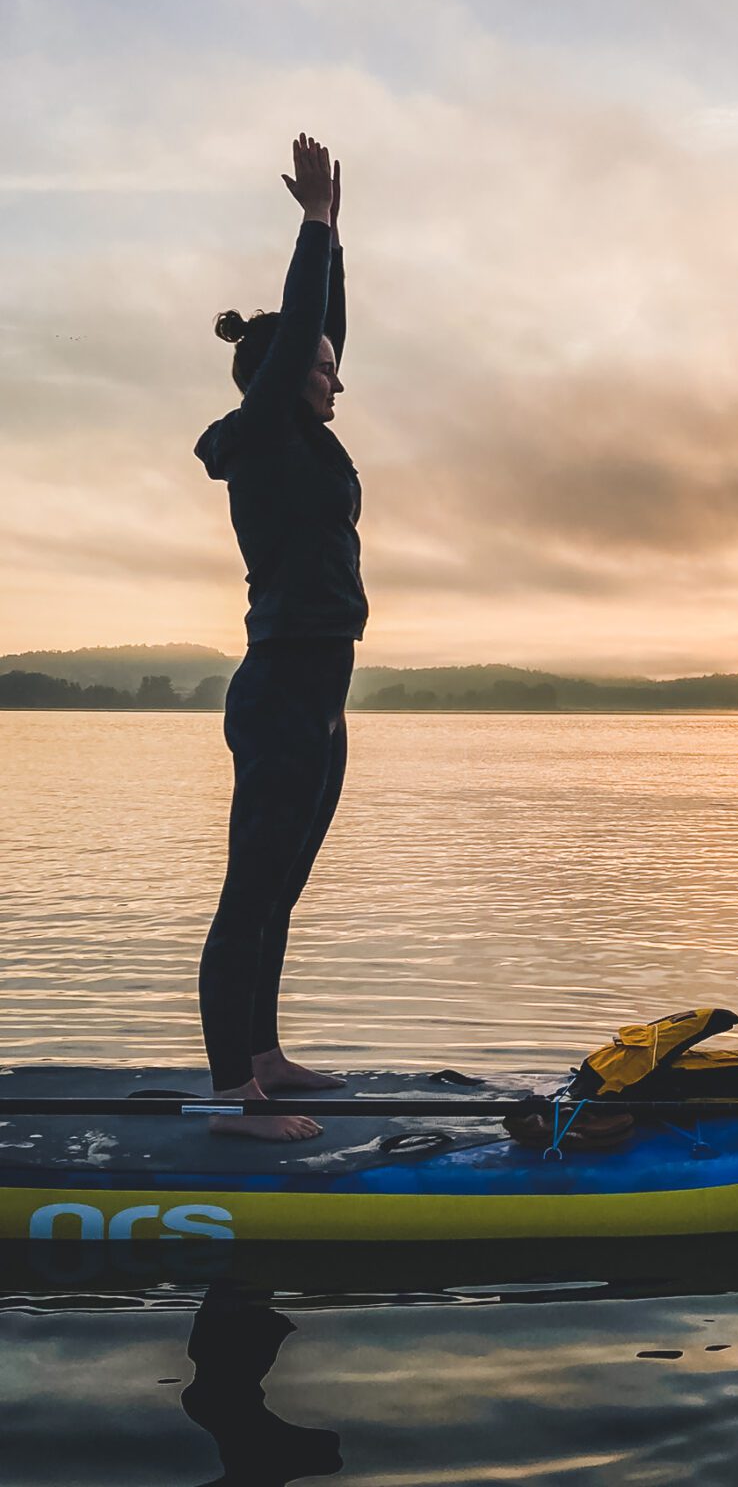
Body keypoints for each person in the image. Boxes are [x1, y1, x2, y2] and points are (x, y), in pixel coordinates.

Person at [193, 135, 368, 1140]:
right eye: (324, 371)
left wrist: (338, 239)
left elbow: (322, 327)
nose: (338, 382)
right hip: (281, 691)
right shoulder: (260, 432)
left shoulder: (305, 434)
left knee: (283, 887)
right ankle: (232, 1102)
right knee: (250, 888)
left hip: (323, 695)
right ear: (285, 376)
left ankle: (262, 1060)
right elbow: (305, 329)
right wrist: (308, 227)